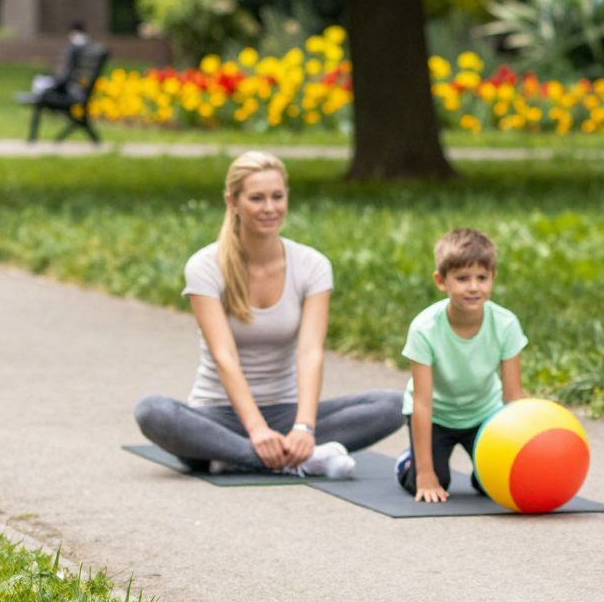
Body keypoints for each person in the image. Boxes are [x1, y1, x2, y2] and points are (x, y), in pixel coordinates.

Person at [133, 151, 402, 475]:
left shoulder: (312, 265)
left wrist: (304, 427)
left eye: (277, 196)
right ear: (233, 202)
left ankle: (246, 457)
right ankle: (286, 458)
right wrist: (257, 430)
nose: (270, 208)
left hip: (286, 413)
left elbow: (310, 353)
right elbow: (224, 355)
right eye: (257, 198)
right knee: (152, 411)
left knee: (394, 403)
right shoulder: (205, 266)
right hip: (218, 416)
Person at [394, 227, 528, 503]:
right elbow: (422, 403)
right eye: (462, 278)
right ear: (441, 281)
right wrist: (425, 473)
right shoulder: (424, 328)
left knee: (491, 485)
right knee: (437, 483)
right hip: (436, 417)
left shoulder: (506, 324)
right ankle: (409, 462)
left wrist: (521, 453)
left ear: (493, 278)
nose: (474, 287)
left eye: (482, 277)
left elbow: (513, 396)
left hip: (484, 415)